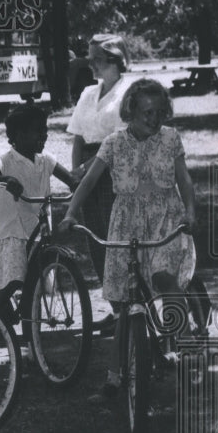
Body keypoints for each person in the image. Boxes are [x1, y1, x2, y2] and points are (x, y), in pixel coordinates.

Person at [58, 79, 196, 399]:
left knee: (165, 278)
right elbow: (89, 182)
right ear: (130, 110)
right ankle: (114, 378)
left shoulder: (171, 139)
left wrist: (190, 211)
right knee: (125, 301)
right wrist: (70, 213)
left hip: (165, 218)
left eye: (160, 112)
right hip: (126, 223)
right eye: (147, 112)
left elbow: (184, 180)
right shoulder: (113, 143)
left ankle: (187, 352)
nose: (154, 119)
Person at [0, 104, 77, 295]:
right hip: (13, 233)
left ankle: (29, 316)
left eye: (45, 130)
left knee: (38, 284)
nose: (44, 135)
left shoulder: (46, 160)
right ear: (19, 135)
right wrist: (4, 179)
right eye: (38, 131)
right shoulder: (5, 161)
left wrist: (77, 184)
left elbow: (70, 179)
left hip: (39, 231)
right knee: (9, 286)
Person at [66, 33, 133, 335]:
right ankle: (117, 309)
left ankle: (131, 308)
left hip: (116, 170)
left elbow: (119, 141)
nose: (90, 63)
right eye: (89, 57)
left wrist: (86, 169)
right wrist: (74, 173)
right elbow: (78, 136)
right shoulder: (88, 94)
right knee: (96, 240)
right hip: (87, 169)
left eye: (95, 58)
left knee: (118, 237)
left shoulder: (128, 92)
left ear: (114, 59)